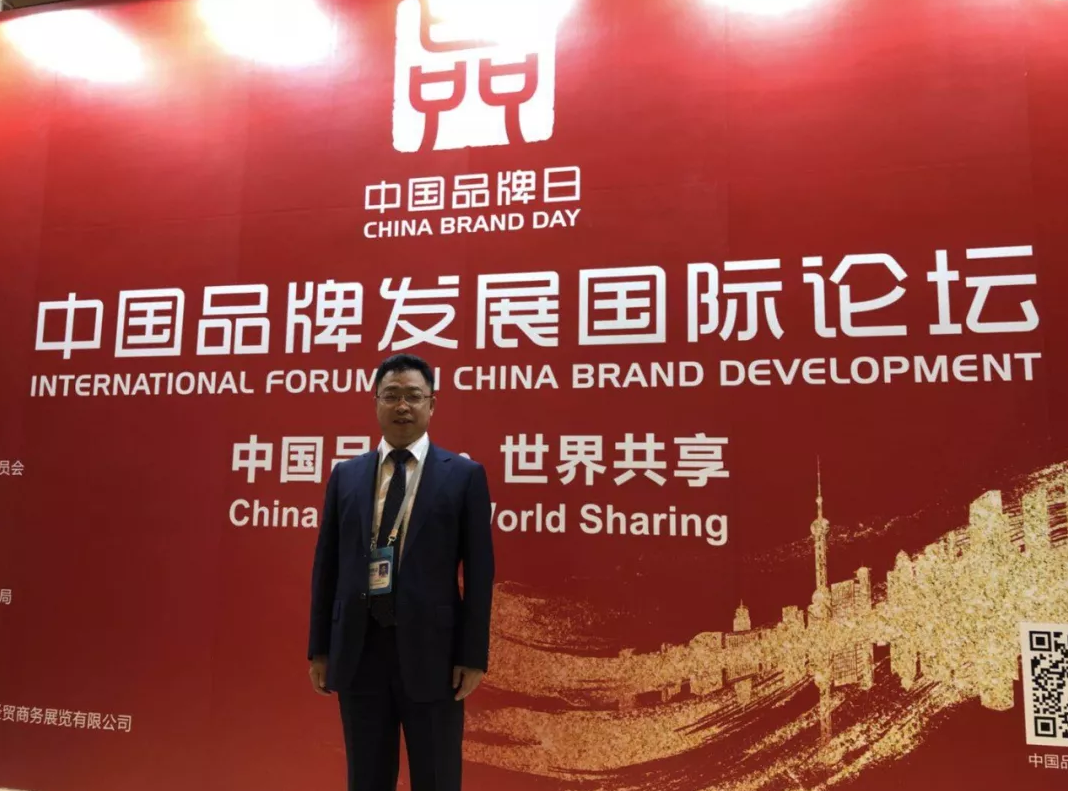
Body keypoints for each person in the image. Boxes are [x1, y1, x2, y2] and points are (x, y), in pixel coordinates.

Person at [307, 353, 495, 791]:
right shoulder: (346, 476)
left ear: (432, 403)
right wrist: (320, 648)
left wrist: (472, 656)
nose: (402, 406)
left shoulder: (463, 476)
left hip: (435, 654)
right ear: (376, 402)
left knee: (437, 776)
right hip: (359, 649)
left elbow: (480, 572)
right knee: (367, 778)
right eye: (391, 395)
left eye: (413, 395)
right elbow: (327, 565)